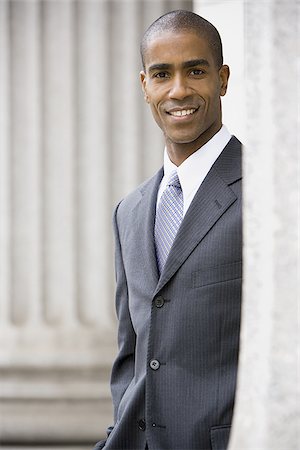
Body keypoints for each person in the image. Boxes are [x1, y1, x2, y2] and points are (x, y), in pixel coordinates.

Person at [94, 9, 242, 450]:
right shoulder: (130, 211)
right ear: (145, 86)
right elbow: (130, 355)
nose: (179, 90)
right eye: (162, 74)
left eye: (195, 70)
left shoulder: (271, 195)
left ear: (223, 79)